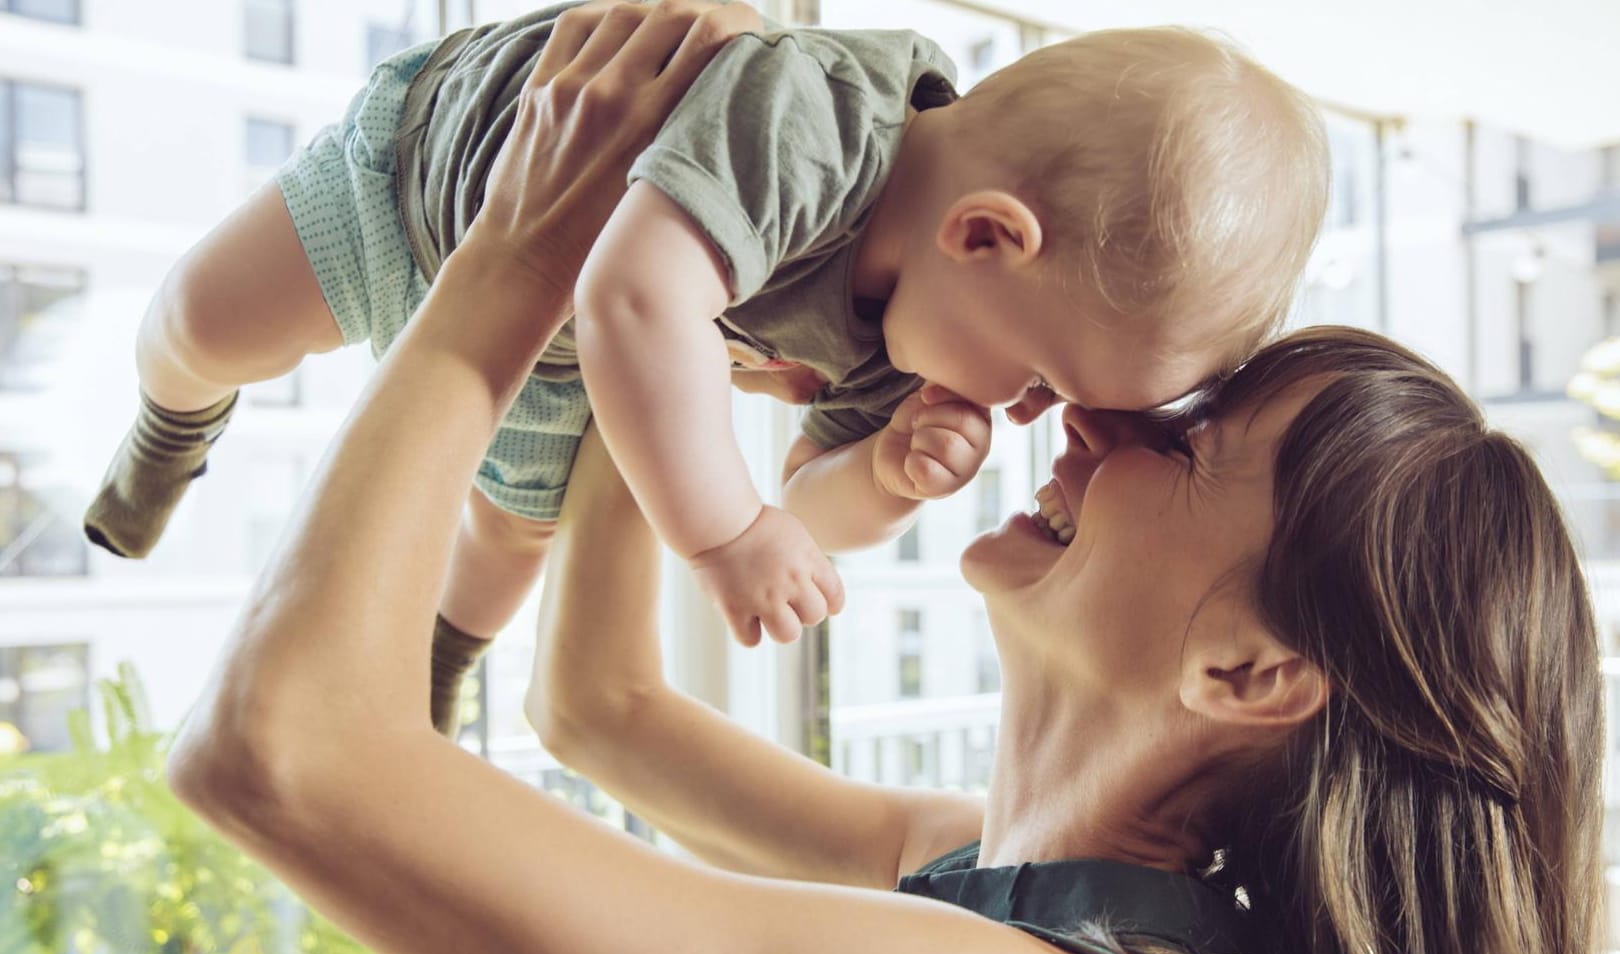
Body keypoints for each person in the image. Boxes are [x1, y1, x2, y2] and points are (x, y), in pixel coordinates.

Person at [167, 4, 1601, 954]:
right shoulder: (1021, 899)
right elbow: (600, 711)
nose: (1081, 431)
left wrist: (515, 256)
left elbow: (280, 752)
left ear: (1249, 673)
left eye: (1180, 442)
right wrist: (683, 268)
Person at [86, 0, 1331, 733]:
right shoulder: (816, 121)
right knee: (203, 318)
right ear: (988, 235)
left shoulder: (919, 334)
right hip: (423, 194)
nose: (1018, 416)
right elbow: (636, 293)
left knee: (511, 539)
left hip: (555, 359)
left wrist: (885, 477)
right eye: (1041, 379)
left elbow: (804, 501)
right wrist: (722, 538)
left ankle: (440, 660)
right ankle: (169, 426)